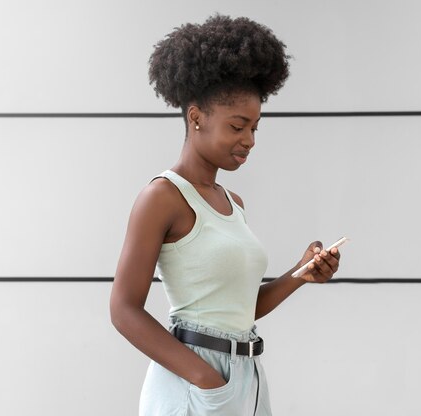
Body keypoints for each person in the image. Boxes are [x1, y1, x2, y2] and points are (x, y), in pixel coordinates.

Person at [110, 14, 341, 415]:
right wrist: (205, 378)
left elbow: (236, 309)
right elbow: (123, 309)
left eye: (255, 128)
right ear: (196, 117)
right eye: (238, 126)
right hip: (196, 383)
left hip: (247, 378)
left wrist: (301, 273)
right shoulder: (163, 196)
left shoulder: (233, 203)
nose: (249, 140)